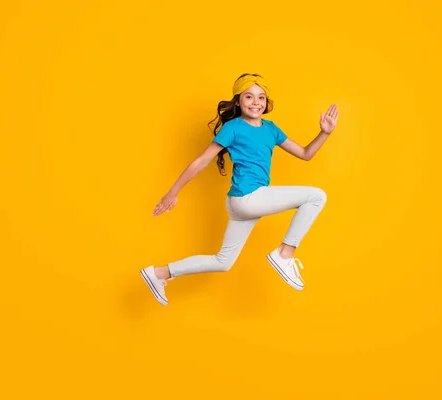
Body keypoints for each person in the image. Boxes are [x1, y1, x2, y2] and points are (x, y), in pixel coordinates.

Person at [141, 73, 339, 306]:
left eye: (261, 97)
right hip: (248, 198)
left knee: (223, 261)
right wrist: (173, 192)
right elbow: (201, 160)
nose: (256, 102)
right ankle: (285, 254)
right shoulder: (233, 127)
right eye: (249, 96)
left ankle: (159, 274)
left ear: (266, 103)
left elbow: (306, 154)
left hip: (243, 203)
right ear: (238, 101)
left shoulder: (271, 129)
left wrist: (325, 132)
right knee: (316, 196)